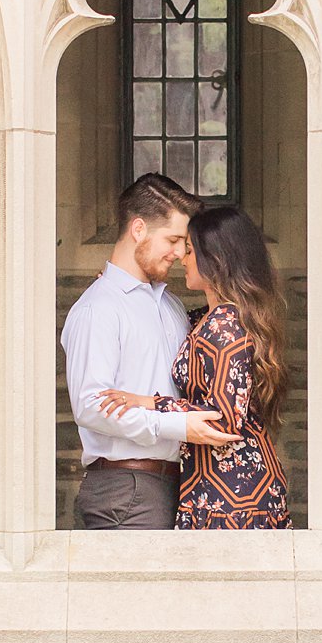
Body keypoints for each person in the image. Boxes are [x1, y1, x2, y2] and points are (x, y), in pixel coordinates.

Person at [99, 202, 291, 530]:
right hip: (216, 484)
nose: (182, 259)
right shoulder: (207, 319)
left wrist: (151, 403)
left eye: (189, 250)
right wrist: (119, 289)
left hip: (234, 494)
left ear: (215, 259)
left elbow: (224, 420)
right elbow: (160, 322)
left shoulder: (224, 326)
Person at [61, 173, 236, 530]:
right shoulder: (99, 308)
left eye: (184, 243)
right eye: (172, 240)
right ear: (138, 229)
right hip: (128, 488)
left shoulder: (170, 306)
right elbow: (91, 407)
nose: (179, 253)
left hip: (182, 484)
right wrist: (178, 425)